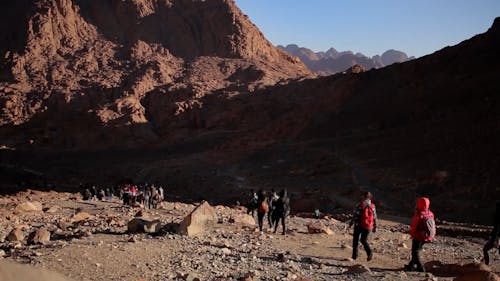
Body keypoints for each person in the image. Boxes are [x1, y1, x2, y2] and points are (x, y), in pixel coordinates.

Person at [405, 197, 435, 272]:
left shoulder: (419, 214)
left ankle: (420, 268)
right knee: (416, 251)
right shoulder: (430, 213)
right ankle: (410, 266)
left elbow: (414, 226)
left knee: (415, 252)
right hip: (427, 236)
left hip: (418, 236)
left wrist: (411, 233)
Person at [350, 191, 377, 261]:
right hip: (368, 226)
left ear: (363, 197)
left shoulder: (360, 205)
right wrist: (375, 226)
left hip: (358, 225)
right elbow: (375, 217)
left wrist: (351, 222)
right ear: (370, 197)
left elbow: (355, 215)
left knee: (355, 240)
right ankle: (369, 252)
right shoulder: (373, 206)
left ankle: (354, 256)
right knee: (363, 240)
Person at [483, 201, 500, 265]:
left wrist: (496, 238)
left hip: (496, 236)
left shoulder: (497, 216)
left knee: (485, 249)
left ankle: (486, 265)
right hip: (496, 236)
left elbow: (497, 227)